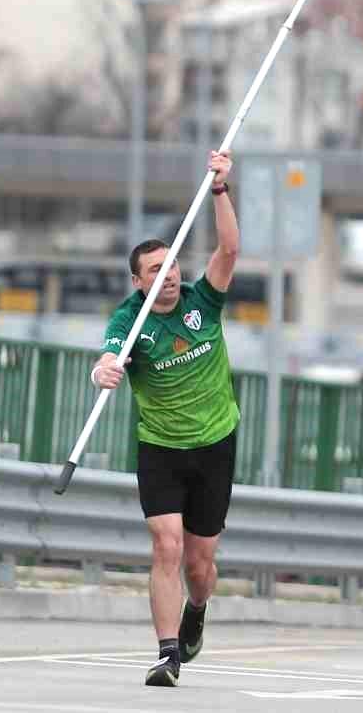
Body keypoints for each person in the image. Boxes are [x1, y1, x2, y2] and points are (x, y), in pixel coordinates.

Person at [91, 150, 240, 688]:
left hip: (215, 441)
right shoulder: (130, 321)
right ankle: (167, 652)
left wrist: (221, 188)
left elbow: (230, 248)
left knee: (200, 567)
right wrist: (103, 372)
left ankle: (196, 611)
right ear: (138, 281)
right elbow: (108, 357)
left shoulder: (205, 299)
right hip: (160, 445)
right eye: (157, 271)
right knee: (166, 546)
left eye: (173, 264)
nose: (169, 276)